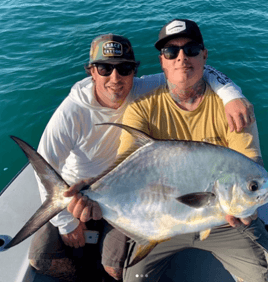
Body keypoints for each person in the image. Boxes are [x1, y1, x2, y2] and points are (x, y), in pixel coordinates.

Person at [29, 32, 256, 281]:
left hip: (131, 192)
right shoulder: (69, 114)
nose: (115, 78)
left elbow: (192, 70)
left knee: (114, 265)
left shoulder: (143, 88)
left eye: (124, 69)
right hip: (76, 192)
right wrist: (67, 222)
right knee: (41, 259)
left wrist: (231, 93)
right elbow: (45, 169)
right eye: (105, 69)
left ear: (134, 72)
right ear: (92, 71)